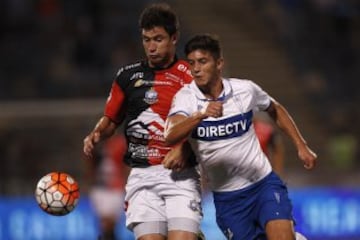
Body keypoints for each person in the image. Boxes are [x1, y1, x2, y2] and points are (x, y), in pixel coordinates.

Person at [164, 34, 317, 240]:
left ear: (219, 63)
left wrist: (301, 145)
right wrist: (200, 115)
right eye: (191, 63)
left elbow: (275, 109)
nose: (196, 69)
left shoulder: (245, 89)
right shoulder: (186, 98)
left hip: (263, 184)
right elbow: (170, 134)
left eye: (203, 61)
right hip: (229, 199)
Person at [83, 3, 203, 240]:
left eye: (158, 39)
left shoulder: (192, 75)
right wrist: (96, 133)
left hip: (180, 174)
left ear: (174, 38)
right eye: (146, 39)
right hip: (141, 177)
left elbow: (208, 120)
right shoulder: (127, 76)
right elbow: (110, 119)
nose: (151, 47)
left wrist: (187, 148)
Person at [86, 133, 129, 240]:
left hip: (116, 189)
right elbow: (90, 164)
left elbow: (125, 165)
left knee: (111, 223)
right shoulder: (95, 143)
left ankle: (110, 236)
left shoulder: (120, 143)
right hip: (100, 188)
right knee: (104, 223)